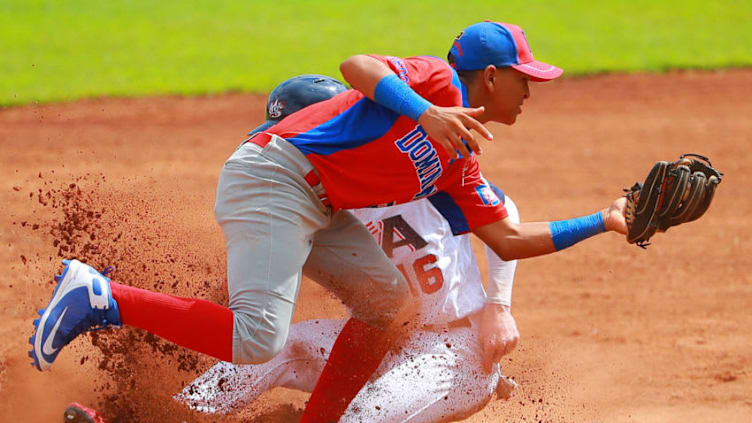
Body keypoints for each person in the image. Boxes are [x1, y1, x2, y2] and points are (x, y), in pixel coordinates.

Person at [31, 20, 627, 423]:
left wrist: (603, 220)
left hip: (321, 206)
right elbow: (356, 64)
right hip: (278, 175)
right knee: (257, 338)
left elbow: (507, 236)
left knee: (384, 303)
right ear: (491, 76)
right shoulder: (439, 81)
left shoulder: (461, 157)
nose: (532, 90)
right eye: (525, 78)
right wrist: (428, 111)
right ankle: (103, 296)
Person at [170, 74, 520, 422]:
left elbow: (505, 210)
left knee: (360, 418)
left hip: (452, 349)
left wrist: (499, 307)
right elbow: (266, 271)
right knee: (282, 347)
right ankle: (173, 413)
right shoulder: (315, 197)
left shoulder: (412, 171)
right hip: (383, 346)